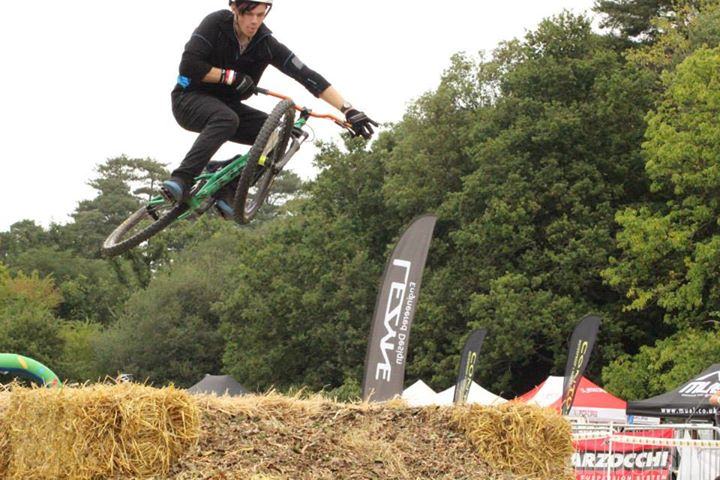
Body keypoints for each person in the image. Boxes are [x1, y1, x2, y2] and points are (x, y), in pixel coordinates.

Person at [163, 0, 378, 217]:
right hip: (189, 99)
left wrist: (348, 110)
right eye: (249, 14)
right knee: (227, 119)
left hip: (228, 106)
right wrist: (230, 77)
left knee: (280, 136)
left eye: (260, 14)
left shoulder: (265, 43)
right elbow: (189, 66)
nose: (255, 21)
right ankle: (182, 178)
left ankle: (230, 187)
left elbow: (307, 75)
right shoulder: (216, 23)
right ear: (235, 9)